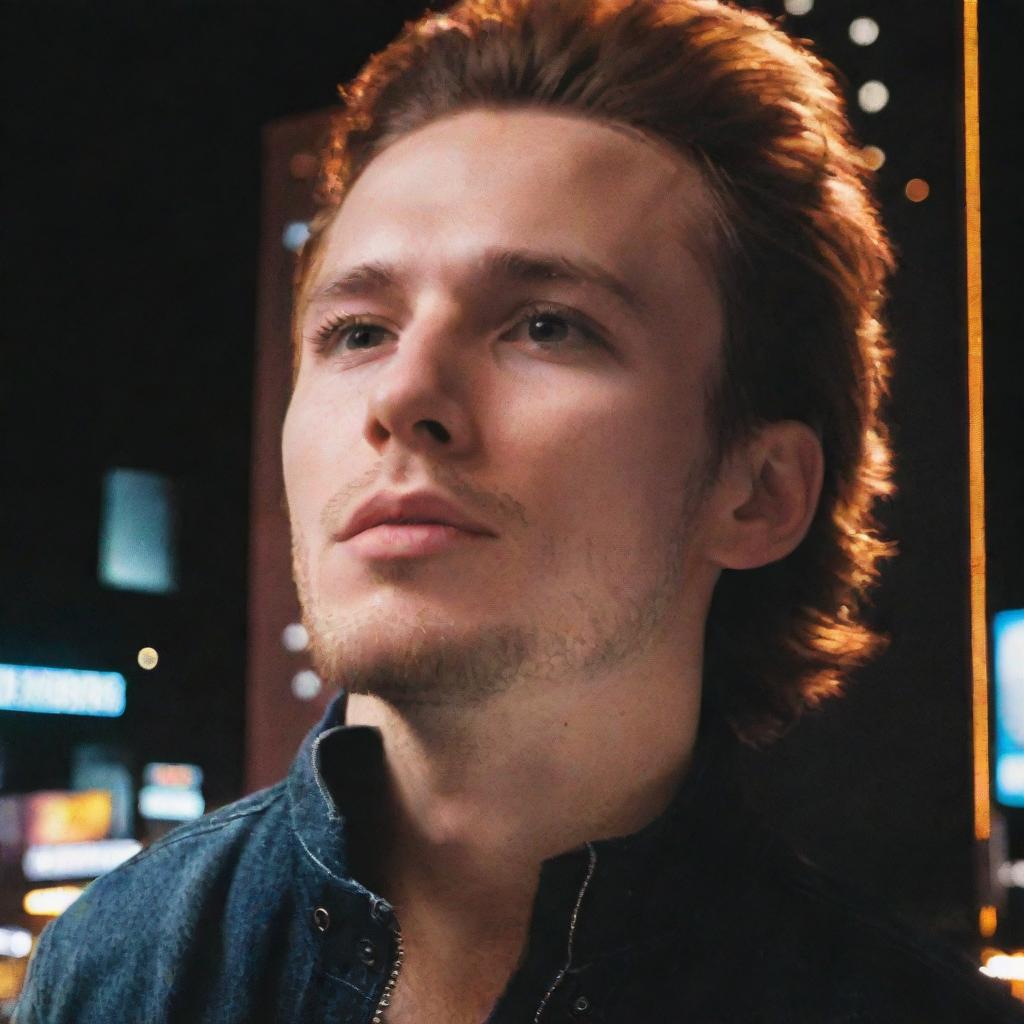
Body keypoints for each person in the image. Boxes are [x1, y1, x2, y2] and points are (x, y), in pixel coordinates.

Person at [16, 0, 1023, 1021]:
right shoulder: (119, 966)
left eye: (546, 324)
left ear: (758, 491)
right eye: (359, 330)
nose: (402, 397)